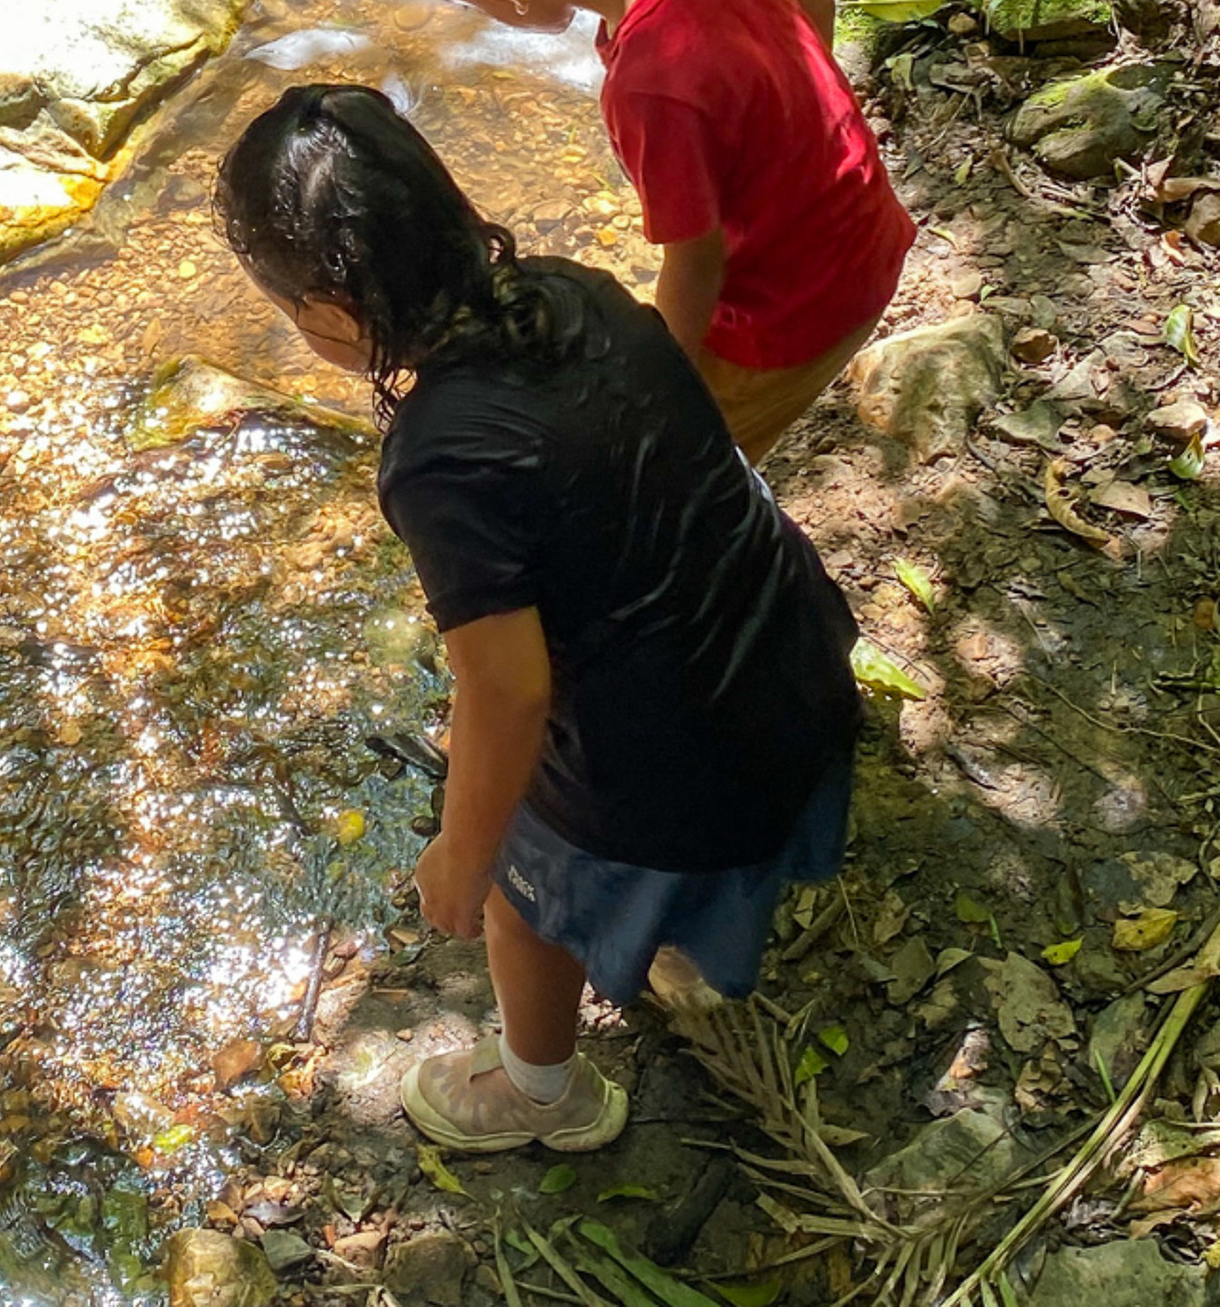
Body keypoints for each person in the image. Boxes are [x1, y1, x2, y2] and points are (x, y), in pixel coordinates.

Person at [212, 84, 863, 1153]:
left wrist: (462, 857)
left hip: (694, 753)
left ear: (326, 314)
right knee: (606, 795)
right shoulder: (576, 292)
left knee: (520, 898)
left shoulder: (437, 454)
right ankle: (680, 938)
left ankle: (543, 1093)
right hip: (794, 649)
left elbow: (507, 686)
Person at [355, 0, 916, 461]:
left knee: (689, 468)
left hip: (794, 317)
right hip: (869, 228)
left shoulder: (651, 85)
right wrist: (782, 139)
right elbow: (816, 4)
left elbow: (696, 263)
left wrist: (660, 387)